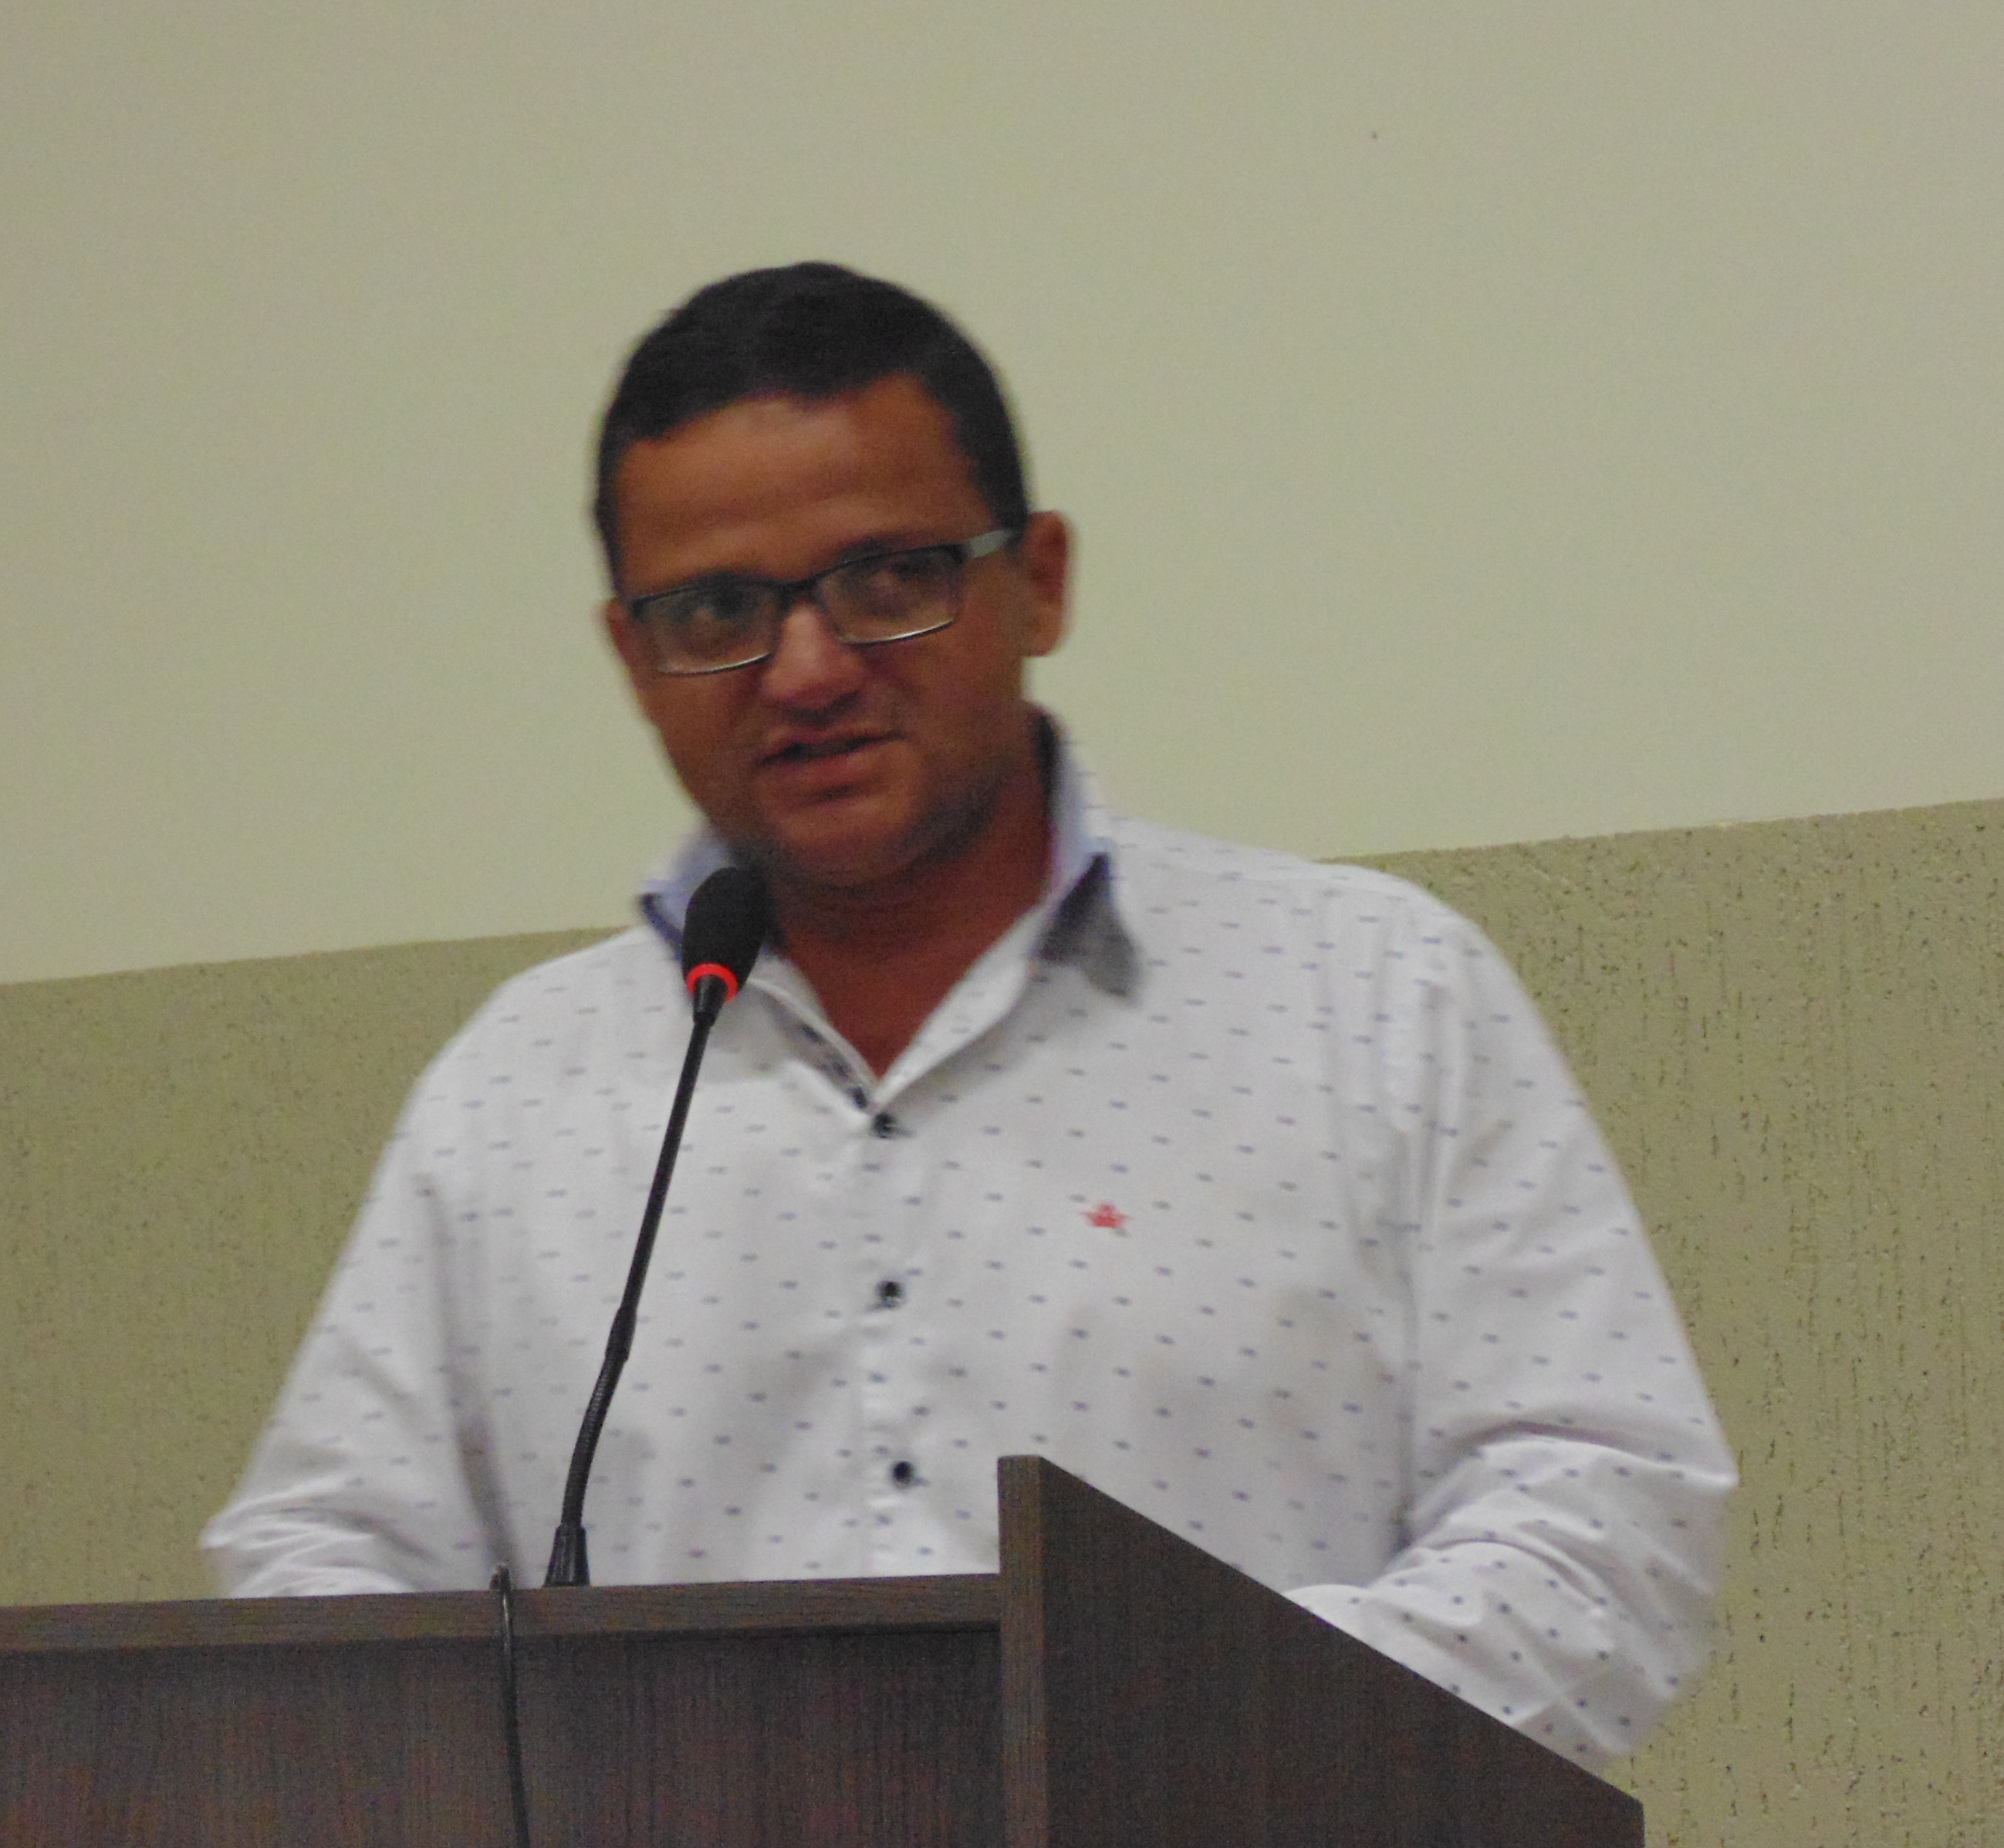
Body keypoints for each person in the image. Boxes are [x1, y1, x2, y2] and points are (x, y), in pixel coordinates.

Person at [204, 262, 1733, 1769]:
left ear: (1039, 580)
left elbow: (1601, 1521)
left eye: (886, 581)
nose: (806, 671)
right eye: (719, 610)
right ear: (633, 657)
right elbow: (322, 1562)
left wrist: (1182, 1735)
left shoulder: (1375, 998)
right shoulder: (516, 1090)